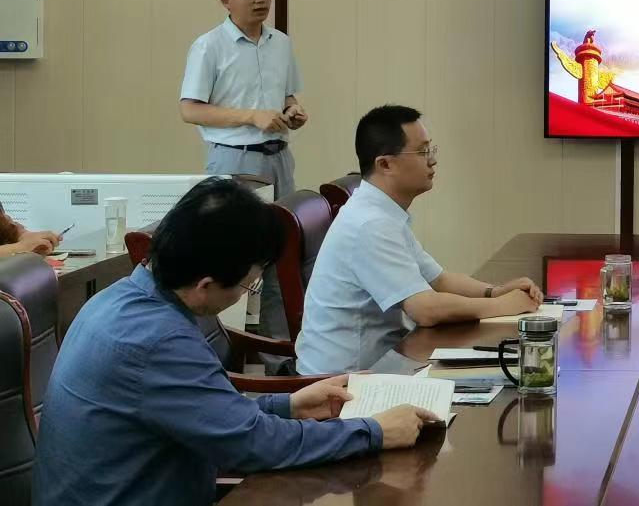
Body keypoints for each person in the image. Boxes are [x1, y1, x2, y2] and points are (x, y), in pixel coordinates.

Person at [32, 177, 438, 506]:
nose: (247, 293)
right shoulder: (158, 339)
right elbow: (251, 445)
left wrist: (290, 405)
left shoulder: (118, 299)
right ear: (205, 285)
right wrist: (374, 431)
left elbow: (201, 410)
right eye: (249, 284)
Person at [295, 104, 544, 375]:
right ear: (385, 164)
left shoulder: (382, 211)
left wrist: (497, 291)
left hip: (384, 363)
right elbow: (425, 310)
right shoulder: (371, 224)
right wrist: (502, 306)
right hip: (341, 384)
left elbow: (439, 280)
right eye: (423, 152)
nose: (432, 161)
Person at [179, 0, 305, 342]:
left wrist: (293, 110)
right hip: (236, 161)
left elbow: (288, 95)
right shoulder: (209, 46)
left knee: (283, 255)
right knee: (235, 258)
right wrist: (250, 116)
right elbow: (190, 110)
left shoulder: (280, 43)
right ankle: (227, 349)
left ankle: (277, 352)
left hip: (279, 158)